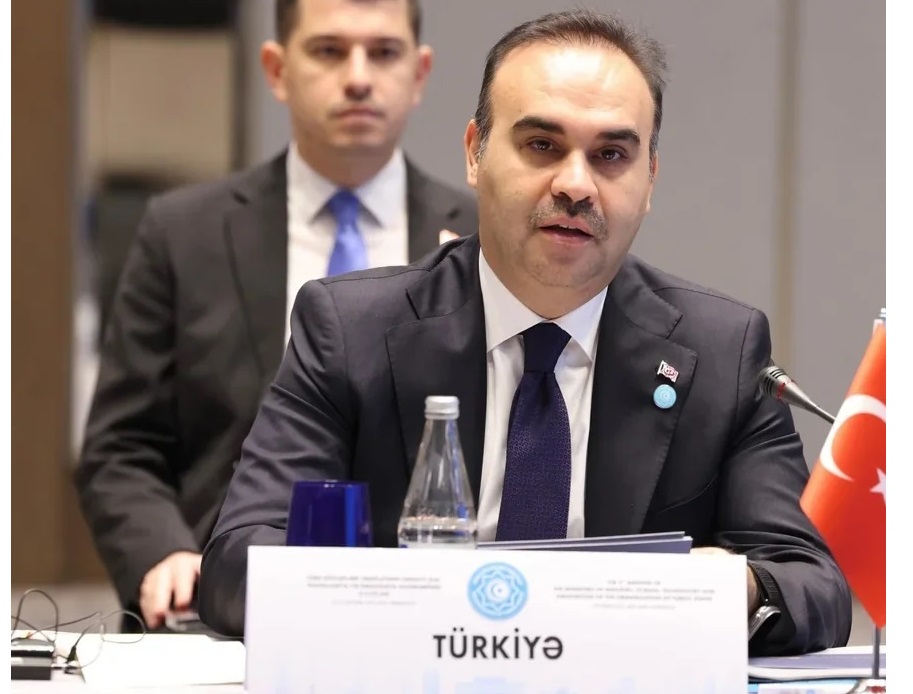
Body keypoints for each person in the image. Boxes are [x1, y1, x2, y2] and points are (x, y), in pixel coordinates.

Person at [198, 9, 852, 654]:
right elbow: (236, 564)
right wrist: (408, 604)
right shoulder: (351, 331)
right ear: (475, 152)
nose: (575, 185)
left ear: (650, 179)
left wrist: (734, 585)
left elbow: (812, 587)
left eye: (611, 155)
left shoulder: (720, 352)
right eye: (542, 145)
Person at [74, 0, 477, 631]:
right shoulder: (184, 233)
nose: (359, 77)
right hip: (219, 607)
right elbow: (121, 446)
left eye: (384, 52)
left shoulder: (482, 239)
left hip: (430, 612)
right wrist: (162, 553)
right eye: (329, 51)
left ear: (420, 73)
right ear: (276, 69)